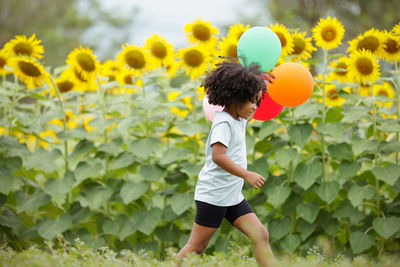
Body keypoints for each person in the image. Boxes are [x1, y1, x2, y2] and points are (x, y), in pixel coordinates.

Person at [176, 59, 275, 267]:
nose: (254, 107)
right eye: (251, 101)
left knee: (261, 235)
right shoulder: (223, 123)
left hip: (231, 195)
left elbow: (247, 114)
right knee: (196, 247)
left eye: (257, 101)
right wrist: (246, 174)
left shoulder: (238, 119)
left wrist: (259, 81)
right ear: (234, 99)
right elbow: (218, 156)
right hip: (214, 195)